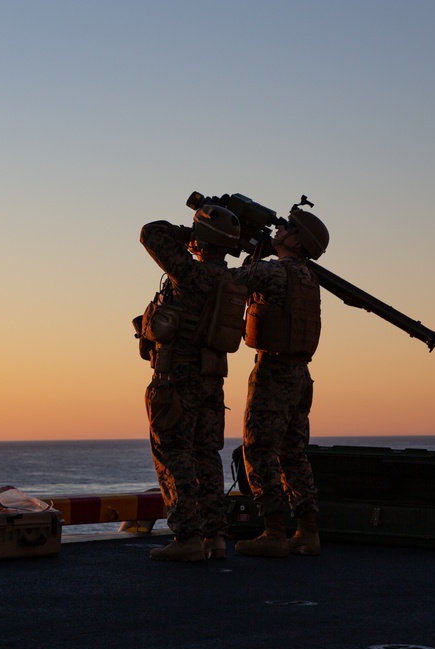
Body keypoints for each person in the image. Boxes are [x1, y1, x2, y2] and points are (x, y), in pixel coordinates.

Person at [137, 205, 244, 562]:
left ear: (202, 240)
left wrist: (188, 233)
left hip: (176, 379)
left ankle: (186, 537)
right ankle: (214, 537)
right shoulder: (232, 281)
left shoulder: (192, 275)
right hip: (211, 382)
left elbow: (150, 232)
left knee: (175, 455)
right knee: (206, 455)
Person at [231, 206, 330, 557]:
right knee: (292, 453)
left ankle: (273, 531)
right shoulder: (308, 278)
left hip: (273, 371)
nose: (279, 229)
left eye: (287, 226)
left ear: (297, 240)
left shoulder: (274, 273)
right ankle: (307, 530)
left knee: (258, 449)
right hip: (300, 375)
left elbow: (228, 283)